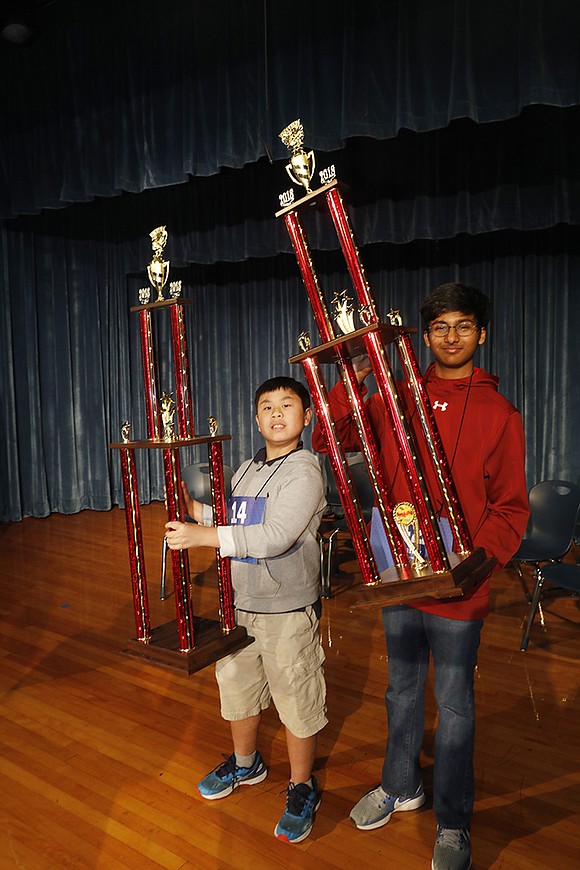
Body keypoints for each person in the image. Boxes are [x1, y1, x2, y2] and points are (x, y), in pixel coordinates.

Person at [312, 284, 529, 870]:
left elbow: (511, 509)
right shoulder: (396, 394)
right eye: (440, 327)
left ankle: (454, 822)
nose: (451, 336)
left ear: (481, 334)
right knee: (401, 688)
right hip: (399, 568)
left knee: (455, 703)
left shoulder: (500, 414)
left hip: (461, 579)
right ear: (424, 336)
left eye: (463, 325)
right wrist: (355, 373)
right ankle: (400, 783)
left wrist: (474, 562)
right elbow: (330, 438)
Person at [165, 376, 327, 844]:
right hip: (238, 607)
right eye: (266, 407)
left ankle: (301, 786)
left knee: (297, 701)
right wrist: (196, 510)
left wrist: (208, 538)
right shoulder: (246, 469)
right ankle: (246, 764)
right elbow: (234, 521)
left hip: (287, 611)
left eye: (287, 405)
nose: (276, 414)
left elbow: (275, 534)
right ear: (256, 420)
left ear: (307, 415)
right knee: (237, 692)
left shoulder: (305, 471)